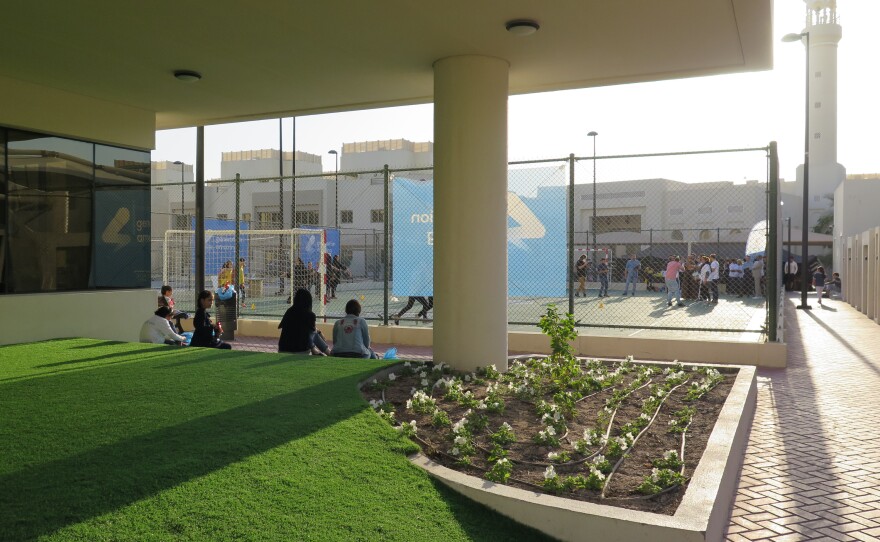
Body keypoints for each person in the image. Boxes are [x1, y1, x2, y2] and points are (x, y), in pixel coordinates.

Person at [278, 288, 330, 355]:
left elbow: (283, 326)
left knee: (310, 332)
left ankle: (316, 350)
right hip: (300, 350)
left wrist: (318, 331)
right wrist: (319, 333)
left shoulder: (289, 311)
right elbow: (312, 333)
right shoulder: (310, 315)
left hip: (283, 349)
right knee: (313, 333)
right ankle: (327, 352)